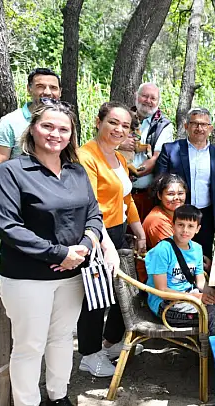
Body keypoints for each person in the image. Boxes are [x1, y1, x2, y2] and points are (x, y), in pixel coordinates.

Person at [0, 101, 116, 406]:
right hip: (27, 278)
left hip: (73, 275)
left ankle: (59, 396)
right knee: (29, 346)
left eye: (63, 129)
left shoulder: (76, 171)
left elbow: (94, 216)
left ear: (71, 135)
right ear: (32, 129)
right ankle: (27, 402)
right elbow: (9, 228)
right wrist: (59, 253)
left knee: (61, 339)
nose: (55, 134)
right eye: (47, 126)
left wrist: (85, 246)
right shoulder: (11, 171)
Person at [76, 101, 148, 378]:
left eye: (125, 125)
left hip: (119, 231)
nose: (119, 129)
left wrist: (139, 231)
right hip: (95, 234)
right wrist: (104, 243)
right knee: (95, 297)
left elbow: (126, 198)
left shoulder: (119, 158)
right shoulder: (86, 156)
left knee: (122, 291)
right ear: (99, 122)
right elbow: (90, 205)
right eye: (113, 123)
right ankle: (89, 354)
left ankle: (110, 342)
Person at [145, 205, 215, 334]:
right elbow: (162, 290)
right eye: (180, 225)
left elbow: (200, 283)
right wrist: (195, 297)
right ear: (173, 226)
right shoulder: (162, 250)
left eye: (190, 226)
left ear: (197, 229)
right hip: (166, 305)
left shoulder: (197, 249)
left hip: (190, 297)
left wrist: (213, 293)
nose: (185, 230)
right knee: (212, 311)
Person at [156, 107, 215, 263]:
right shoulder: (170, 150)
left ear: (210, 128)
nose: (199, 128)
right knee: (177, 258)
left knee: (204, 258)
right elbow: (159, 183)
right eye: (195, 123)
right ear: (186, 126)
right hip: (177, 215)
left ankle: (204, 280)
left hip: (206, 217)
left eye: (204, 124)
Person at [0, 68, 62, 184]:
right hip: (20, 188)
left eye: (53, 87)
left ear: (60, 92)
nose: (47, 92)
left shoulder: (65, 122)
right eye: (40, 86)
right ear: (29, 89)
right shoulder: (10, 121)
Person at [120, 83, 174, 220]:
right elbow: (105, 142)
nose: (148, 101)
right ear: (136, 96)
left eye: (153, 98)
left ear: (158, 102)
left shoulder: (163, 126)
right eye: (144, 96)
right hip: (117, 192)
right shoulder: (122, 118)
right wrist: (120, 144)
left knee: (142, 231)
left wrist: (133, 174)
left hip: (145, 195)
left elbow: (156, 158)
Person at [138, 174, 187, 282]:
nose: (176, 198)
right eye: (170, 194)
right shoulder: (158, 222)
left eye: (180, 193)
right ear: (159, 196)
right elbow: (174, 256)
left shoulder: (173, 214)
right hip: (161, 280)